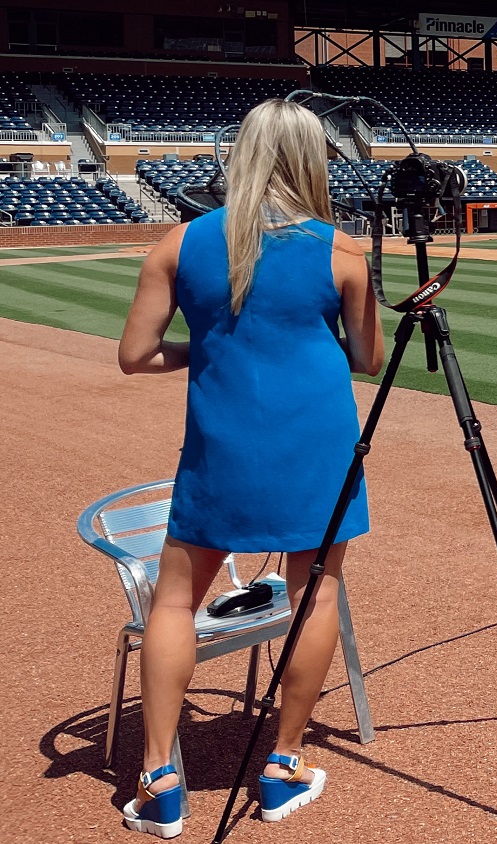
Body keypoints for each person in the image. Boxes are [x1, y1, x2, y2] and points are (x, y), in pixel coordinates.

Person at [116, 98, 384, 838]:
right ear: (309, 161)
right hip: (318, 444)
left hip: (219, 445)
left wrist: (201, 352)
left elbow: (135, 356)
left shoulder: (180, 243)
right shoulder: (342, 250)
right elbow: (368, 358)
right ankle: (283, 765)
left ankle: (159, 778)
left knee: (173, 604)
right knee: (315, 596)